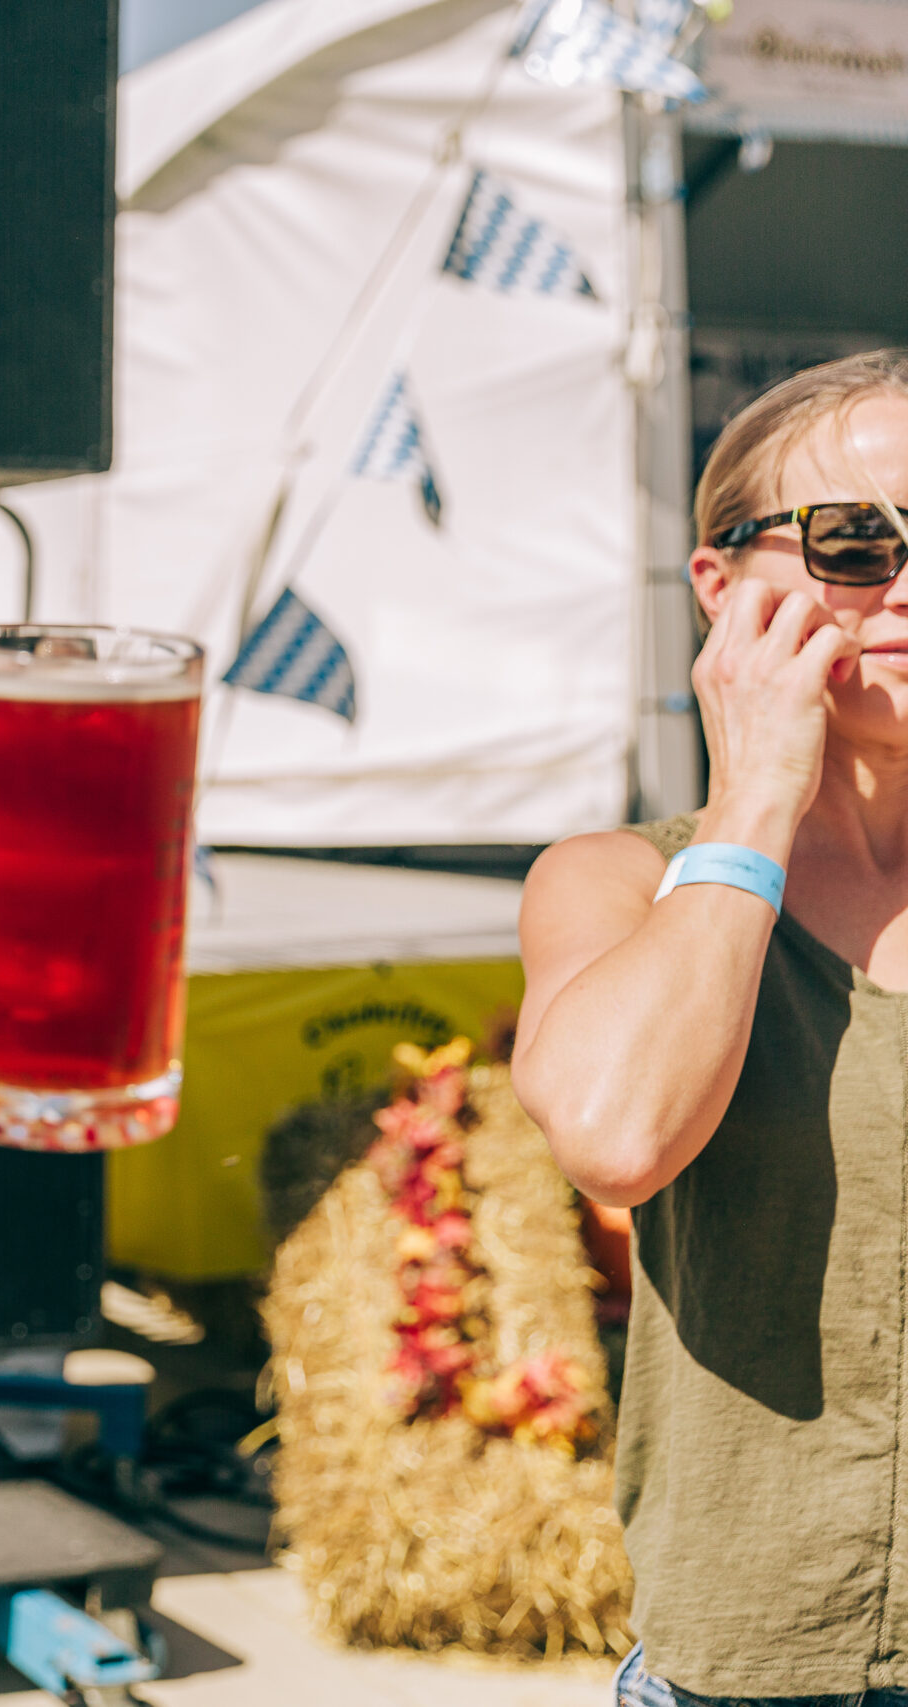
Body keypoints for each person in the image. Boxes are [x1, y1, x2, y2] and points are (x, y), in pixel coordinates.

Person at [514, 350, 908, 1705]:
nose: (903, 582)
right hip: (759, 1667)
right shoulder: (619, 879)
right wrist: (753, 802)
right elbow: (616, 1137)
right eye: (855, 539)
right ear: (719, 584)